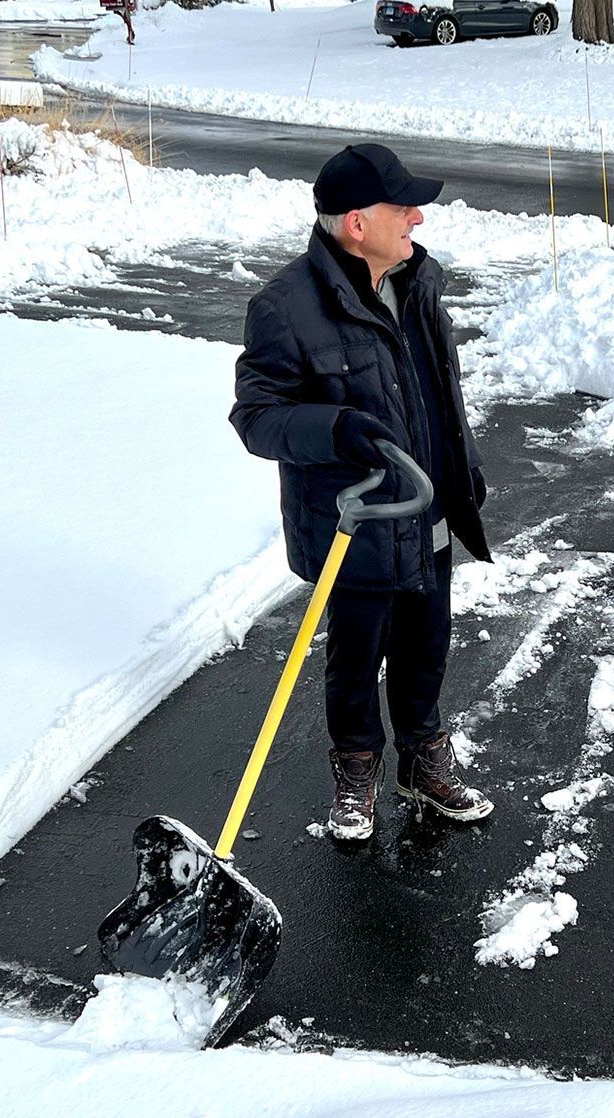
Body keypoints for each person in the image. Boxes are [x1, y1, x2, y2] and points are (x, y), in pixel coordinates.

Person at [230, 143, 494, 842]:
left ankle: (423, 760)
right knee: (355, 660)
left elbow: (438, 389)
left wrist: (460, 465)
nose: (416, 215)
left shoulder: (418, 280)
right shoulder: (286, 308)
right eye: (400, 205)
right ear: (355, 223)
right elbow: (255, 418)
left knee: (426, 647)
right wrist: (335, 427)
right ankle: (357, 769)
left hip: (427, 510)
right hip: (357, 526)